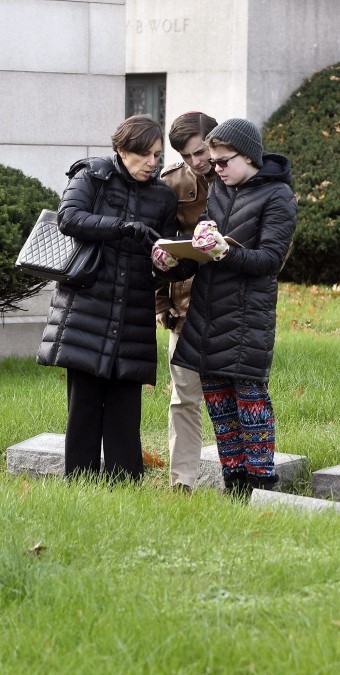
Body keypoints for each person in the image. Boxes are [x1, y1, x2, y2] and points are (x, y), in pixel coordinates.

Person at [153, 118, 296, 498]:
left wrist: (225, 252)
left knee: (251, 404)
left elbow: (270, 260)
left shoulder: (278, 195)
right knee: (219, 405)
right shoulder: (218, 190)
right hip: (207, 312)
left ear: (247, 156)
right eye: (213, 162)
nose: (214, 168)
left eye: (222, 161)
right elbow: (202, 257)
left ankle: (262, 487)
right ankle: (234, 488)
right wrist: (171, 262)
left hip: (248, 315)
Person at [37, 115, 180, 481]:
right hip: (87, 305)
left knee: (125, 409)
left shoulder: (163, 196)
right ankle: (80, 483)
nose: (152, 162)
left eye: (157, 155)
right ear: (121, 149)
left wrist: (170, 263)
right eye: (145, 154)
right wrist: (122, 228)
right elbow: (69, 218)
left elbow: (165, 253)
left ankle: (126, 484)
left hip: (133, 309)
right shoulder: (92, 175)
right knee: (83, 405)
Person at [156, 111, 219, 493]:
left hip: (231, 302)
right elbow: (156, 248)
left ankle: (243, 476)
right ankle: (182, 482)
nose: (196, 162)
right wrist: (161, 305)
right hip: (185, 305)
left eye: (200, 151)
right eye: (186, 156)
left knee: (236, 396)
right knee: (184, 397)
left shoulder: (242, 175)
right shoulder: (171, 183)